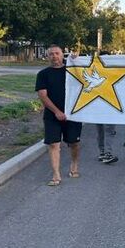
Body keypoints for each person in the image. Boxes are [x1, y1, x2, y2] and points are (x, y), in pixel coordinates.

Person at [35, 44, 82, 186]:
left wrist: (77, 61)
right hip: (52, 116)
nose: (54, 56)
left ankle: (74, 164)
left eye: (57, 53)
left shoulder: (72, 70)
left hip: (72, 114)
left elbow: (87, 77)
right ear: (48, 57)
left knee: (74, 143)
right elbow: (43, 95)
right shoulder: (43, 74)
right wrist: (57, 112)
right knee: (54, 144)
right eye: (51, 54)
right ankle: (56, 175)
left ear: (63, 54)